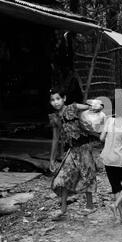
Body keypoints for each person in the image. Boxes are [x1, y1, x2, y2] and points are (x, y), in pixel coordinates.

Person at [49, 87, 100, 221]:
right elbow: (55, 139)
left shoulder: (73, 107)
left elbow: (91, 107)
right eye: (53, 100)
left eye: (58, 99)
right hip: (71, 151)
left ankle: (90, 205)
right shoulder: (55, 118)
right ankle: (63, 208)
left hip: (83, 148)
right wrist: (52, 159)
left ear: (64, 99)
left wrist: (97, 107)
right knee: (63, 177)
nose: (56, 102)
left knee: (87, 174)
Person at [100, 110, 122, 224]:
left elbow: (101, 138)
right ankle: (114, 204)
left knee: (116, 187)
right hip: (120, 160)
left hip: (107, 158)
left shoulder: (109, 120)